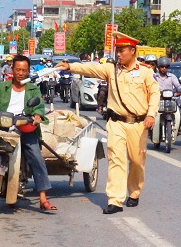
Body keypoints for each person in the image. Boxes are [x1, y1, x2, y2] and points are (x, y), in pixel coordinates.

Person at [57, 32, 159, 214]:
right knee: (116, 160)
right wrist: (70, 66)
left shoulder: (145, 71)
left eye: (122, 51)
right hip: (116, 122)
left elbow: (154, 94)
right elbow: (91, 68)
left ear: (132, 51)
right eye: (117, 50)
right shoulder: (111, 69)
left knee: (136, 161)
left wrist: (151, 115)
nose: (118, 54)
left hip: (138, 124)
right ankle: (115, 200)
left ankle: (134, 192)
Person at [0, 54, 57, 211]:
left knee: (36, 156)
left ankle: (43, 197)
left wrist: (37, 115)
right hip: (1, 127)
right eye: (18, 70)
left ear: (28, 71)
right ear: (12, 69)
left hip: (24, 128)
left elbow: (39, 106)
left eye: (24, 70)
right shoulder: (2, 87)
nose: (21, 73)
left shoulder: (33, 89)